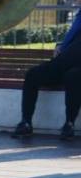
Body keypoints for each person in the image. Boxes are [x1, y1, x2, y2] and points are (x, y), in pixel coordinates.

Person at [10, 8, 81, 141]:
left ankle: (69, 124)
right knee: (32, 75)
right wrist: (61, 46)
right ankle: (26, 122)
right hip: (62, 63)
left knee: (73, 77)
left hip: (75, 68)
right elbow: (72, 35)